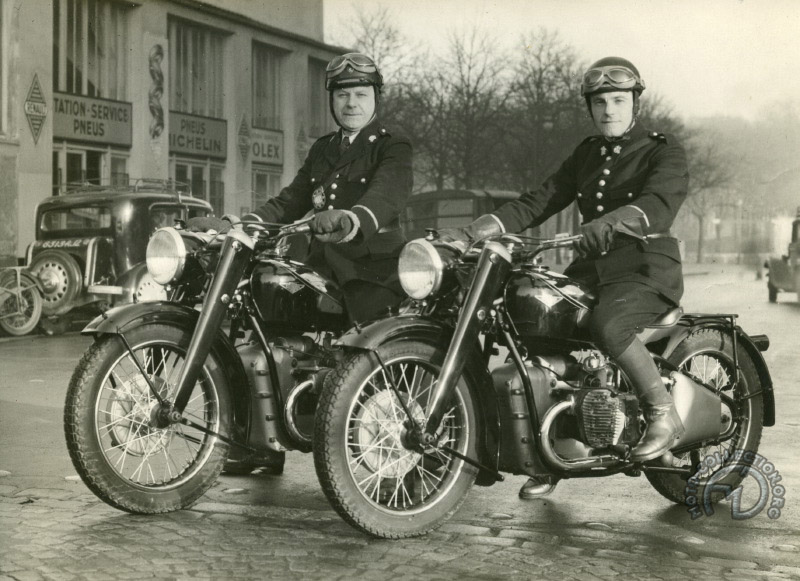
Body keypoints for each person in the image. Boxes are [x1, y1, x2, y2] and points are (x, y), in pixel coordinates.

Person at [440, 57, 689, 499]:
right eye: (599, 102)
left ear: (635, 102)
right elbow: (540, 200)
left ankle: (662, 415)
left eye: (618, 100)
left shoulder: (662, 149)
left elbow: (659, 202)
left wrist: (613, 222)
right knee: (537, 320)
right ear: (590, 108)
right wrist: (477, 230)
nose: (609, 110)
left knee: (609, 326)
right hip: (592, 270)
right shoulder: (586, 154)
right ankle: (550, 449)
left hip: (645, 268)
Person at [190, 52, 413, 474]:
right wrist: (243, 224)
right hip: (321, 265)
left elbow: (387, 195)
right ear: (332, 100)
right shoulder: (325, 148)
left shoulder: (391, 144)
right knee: (261, 322)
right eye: (343, 95)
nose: (352, 104)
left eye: (361, 94)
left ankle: (401, 447)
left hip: (372, 266)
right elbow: (292, 199)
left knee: (374, 354)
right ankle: (260, 442)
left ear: (376, 99)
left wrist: (352, 218)